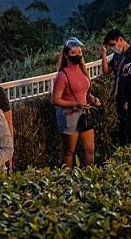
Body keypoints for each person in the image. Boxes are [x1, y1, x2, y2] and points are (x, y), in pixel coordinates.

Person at [50, 37, 102, 167]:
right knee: (69, 151)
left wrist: (92, 99)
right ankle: (67, 179)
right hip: (69, 116)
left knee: (89, 149)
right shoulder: (63, 75)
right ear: (66, 55)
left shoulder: (83, 70)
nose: (77, 55)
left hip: (84, 114)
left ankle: (89, 177)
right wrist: (75, 104)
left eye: (79, 52)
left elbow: (85, 92)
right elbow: (55, 100)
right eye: (73, 53)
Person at [101, 28, 131, 145]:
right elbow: (106, 71)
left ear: (121, 39)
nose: (113, 48)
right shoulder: (116, 56)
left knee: (130, 126)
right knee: (122, 126)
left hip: (129, 96)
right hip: (120, 96)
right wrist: (104, 54)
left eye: (113, 45)